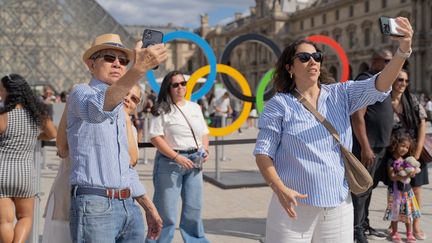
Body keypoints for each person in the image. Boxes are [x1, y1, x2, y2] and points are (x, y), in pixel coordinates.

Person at [254, 17, 413, 243]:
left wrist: (403, 50)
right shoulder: (279, 104)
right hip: (293, 204)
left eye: (317, 56)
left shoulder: (341, 94)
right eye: (304, 57)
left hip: (338, 204)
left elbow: (380, 84)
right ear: (290, 67)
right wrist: (279, 188)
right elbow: (263, 153)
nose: (313, 61)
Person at [67, 33, 167, 242]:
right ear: (90, 64)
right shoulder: (80, 92)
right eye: (109, 58)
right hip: (95, 205)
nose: (118, 64)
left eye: (123, 61)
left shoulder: (120, 106)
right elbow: (96, 111)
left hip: (128, 204)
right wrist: (137, 70)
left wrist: (148, 207)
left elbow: (125, 167)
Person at [42, 84, 144, 243]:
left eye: (134, 99)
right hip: (76, 196)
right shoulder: (88, 114)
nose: (127, 99)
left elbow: (131, 160)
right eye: (125, 92)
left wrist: (125, 118)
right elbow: (61, 148)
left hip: (114, 203)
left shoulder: (130, 128)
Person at [147, 70, 210, 243]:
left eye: (183, 83)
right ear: (168, 88)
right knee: (166, 210)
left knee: (193, 207)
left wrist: (205, 150)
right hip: (170, 162)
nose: (180, 87)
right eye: (175, 85)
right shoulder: (161, 109)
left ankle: (196, 240)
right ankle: (159, 241)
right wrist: (176, 157)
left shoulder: (195, 107)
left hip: (194, 160)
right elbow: (155, 137)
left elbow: (204, 133)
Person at [0, 74, 57, 243]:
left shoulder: (3, 116)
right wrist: (35, 138)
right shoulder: (37, 115)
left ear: (10, 92)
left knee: (4, 221)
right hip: (24, 173)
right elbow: (52, 133)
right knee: (25, 217)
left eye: (2, 90)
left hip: (2, 171)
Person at [350, 49, 393, 243]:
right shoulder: (366, 81)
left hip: (379, 146)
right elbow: (357, 116)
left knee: (369, 188)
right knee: (360, 190)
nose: (391, 65)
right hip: (368, 147)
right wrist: (365, 147)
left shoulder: (382, 83)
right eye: (387, 61)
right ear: (375, 61)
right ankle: (356, 231)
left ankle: (364, 224)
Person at [390, 69, 428, 240]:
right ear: (392, 81)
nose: (403, 83)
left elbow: (422, 123)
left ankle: (416, 225)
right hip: (395, 152)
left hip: (413, 151)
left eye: (405, 80)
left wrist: (418, 151)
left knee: (416, 189)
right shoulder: (385, 100)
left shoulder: (411, 99)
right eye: (399, 80)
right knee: (395, 189)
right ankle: (394, 225)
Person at [383, 132, 421, 243]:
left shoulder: (406, 160)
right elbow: (392, 177)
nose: (404, 149)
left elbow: (412, 173)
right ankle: (395, 232)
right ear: (396, 144)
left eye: (407, 147)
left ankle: (409, 233)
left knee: (408, 214)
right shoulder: (390, 160)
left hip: (407, 191)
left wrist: (413, 173)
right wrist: (407, 174)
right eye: (402, 146)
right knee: (395, 213)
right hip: (395, 192)